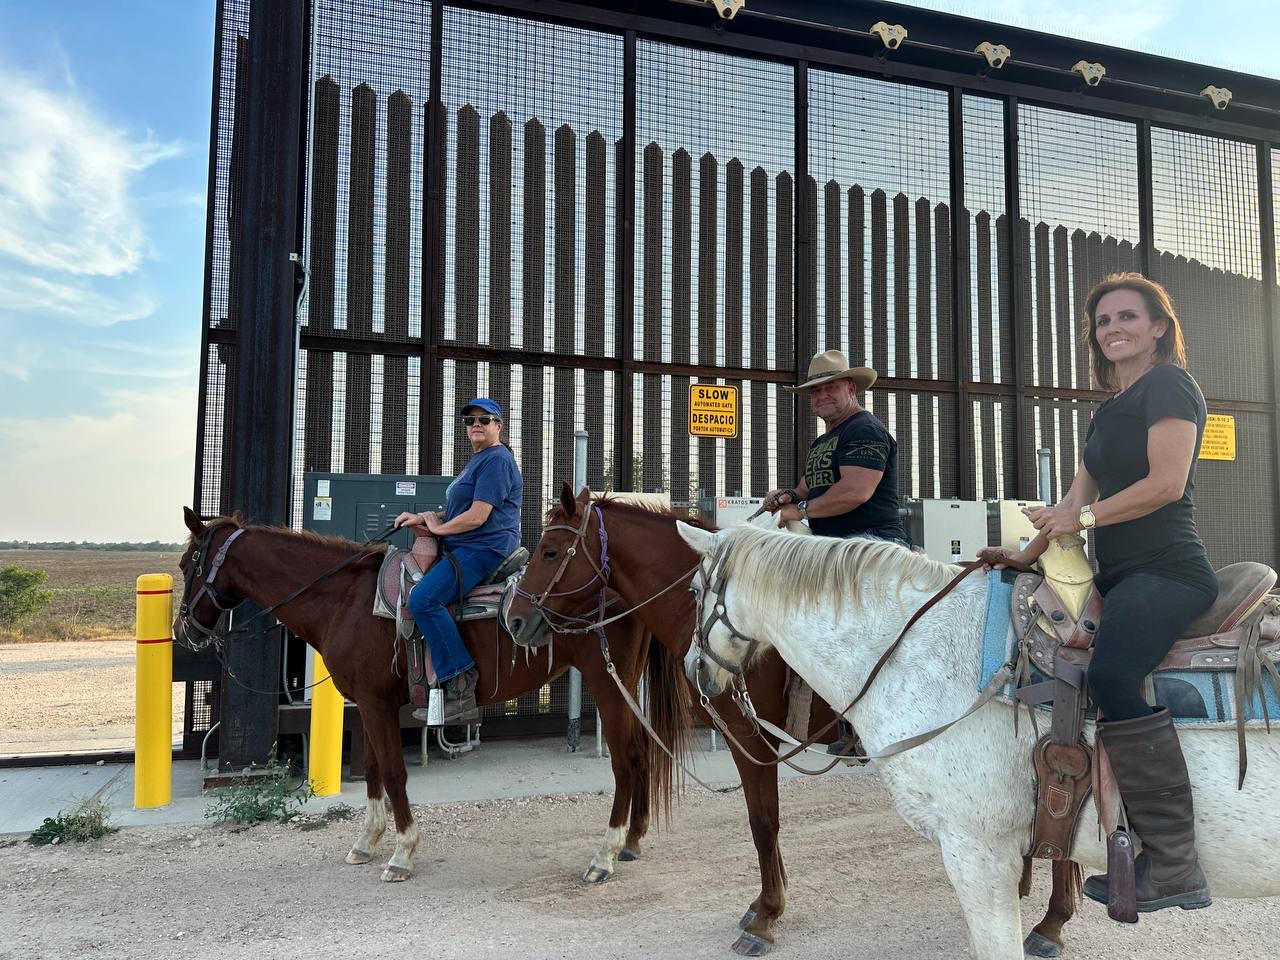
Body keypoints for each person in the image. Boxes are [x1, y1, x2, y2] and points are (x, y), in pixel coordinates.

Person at [979, 273, 1217, 914]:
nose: (1113, 329)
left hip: (1168, 570)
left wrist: (1078, 523)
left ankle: (1172, 865)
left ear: (1158, 327)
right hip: (1117, 577)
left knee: (1112, 677)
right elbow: (1070, 505)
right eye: (1103, 321)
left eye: (1127, 318)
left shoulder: (1170, 386)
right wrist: (1022, 555)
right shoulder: (1108, 411)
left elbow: (1166, 484)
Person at [765, 349, 908, 753]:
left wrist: (800, 510)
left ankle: (870, 725)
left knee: (860, 640)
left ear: (851, 387)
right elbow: (814, 485)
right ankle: (840, 722)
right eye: (815, 391)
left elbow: (855, 492)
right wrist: (789, 494)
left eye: (829, 387)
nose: (821, 396)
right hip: (834, 549)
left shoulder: (866, 430)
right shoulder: (825, 440)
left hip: (870, 545)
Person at [395, 398, 523, 724]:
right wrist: (425, 517)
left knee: (423, 599)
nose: (476, 424)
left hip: (481, 550)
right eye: (469, 420)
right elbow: (458, 513)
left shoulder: (497, 460)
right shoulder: (477, 461)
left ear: (499, 425)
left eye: (484, 418)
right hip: (464, 545)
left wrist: (439, 528)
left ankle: (461, 682)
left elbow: (478, 517)